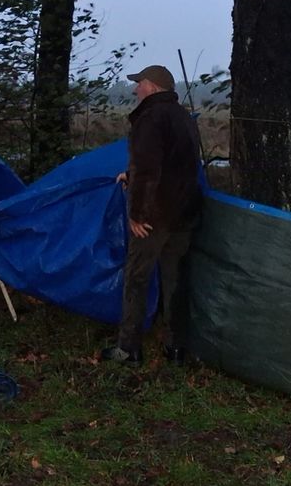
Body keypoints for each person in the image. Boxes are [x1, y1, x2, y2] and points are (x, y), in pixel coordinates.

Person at [100, 65, 202, 366]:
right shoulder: (185, 118)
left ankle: (128, 349)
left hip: (154, 217)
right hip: (183, 215)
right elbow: (175, 165)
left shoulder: (150, 118)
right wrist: (129, 174)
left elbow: (148, 170)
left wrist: (136, 215)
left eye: (139, 84)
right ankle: (176, 348)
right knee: (175, 280)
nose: (135, 90)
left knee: (136, 278)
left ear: (154, 86)